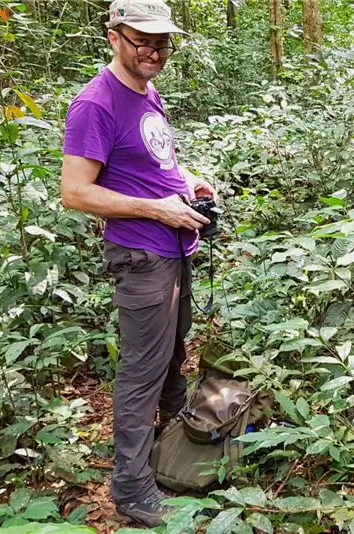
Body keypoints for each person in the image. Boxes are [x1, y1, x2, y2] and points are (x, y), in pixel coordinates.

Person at [60, 0, 217, 527]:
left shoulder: (148, 91)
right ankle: (131, 489)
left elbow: (155, 161)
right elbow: (75, 192)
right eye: (142, 41)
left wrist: (189, 182)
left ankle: (175, 450)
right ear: (114, 37)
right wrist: (157, 209)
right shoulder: (95, 104)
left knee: (172, 356)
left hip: (173, 248)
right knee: (142, 371)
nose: (154, 52)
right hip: (142, 256)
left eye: (162, 42)